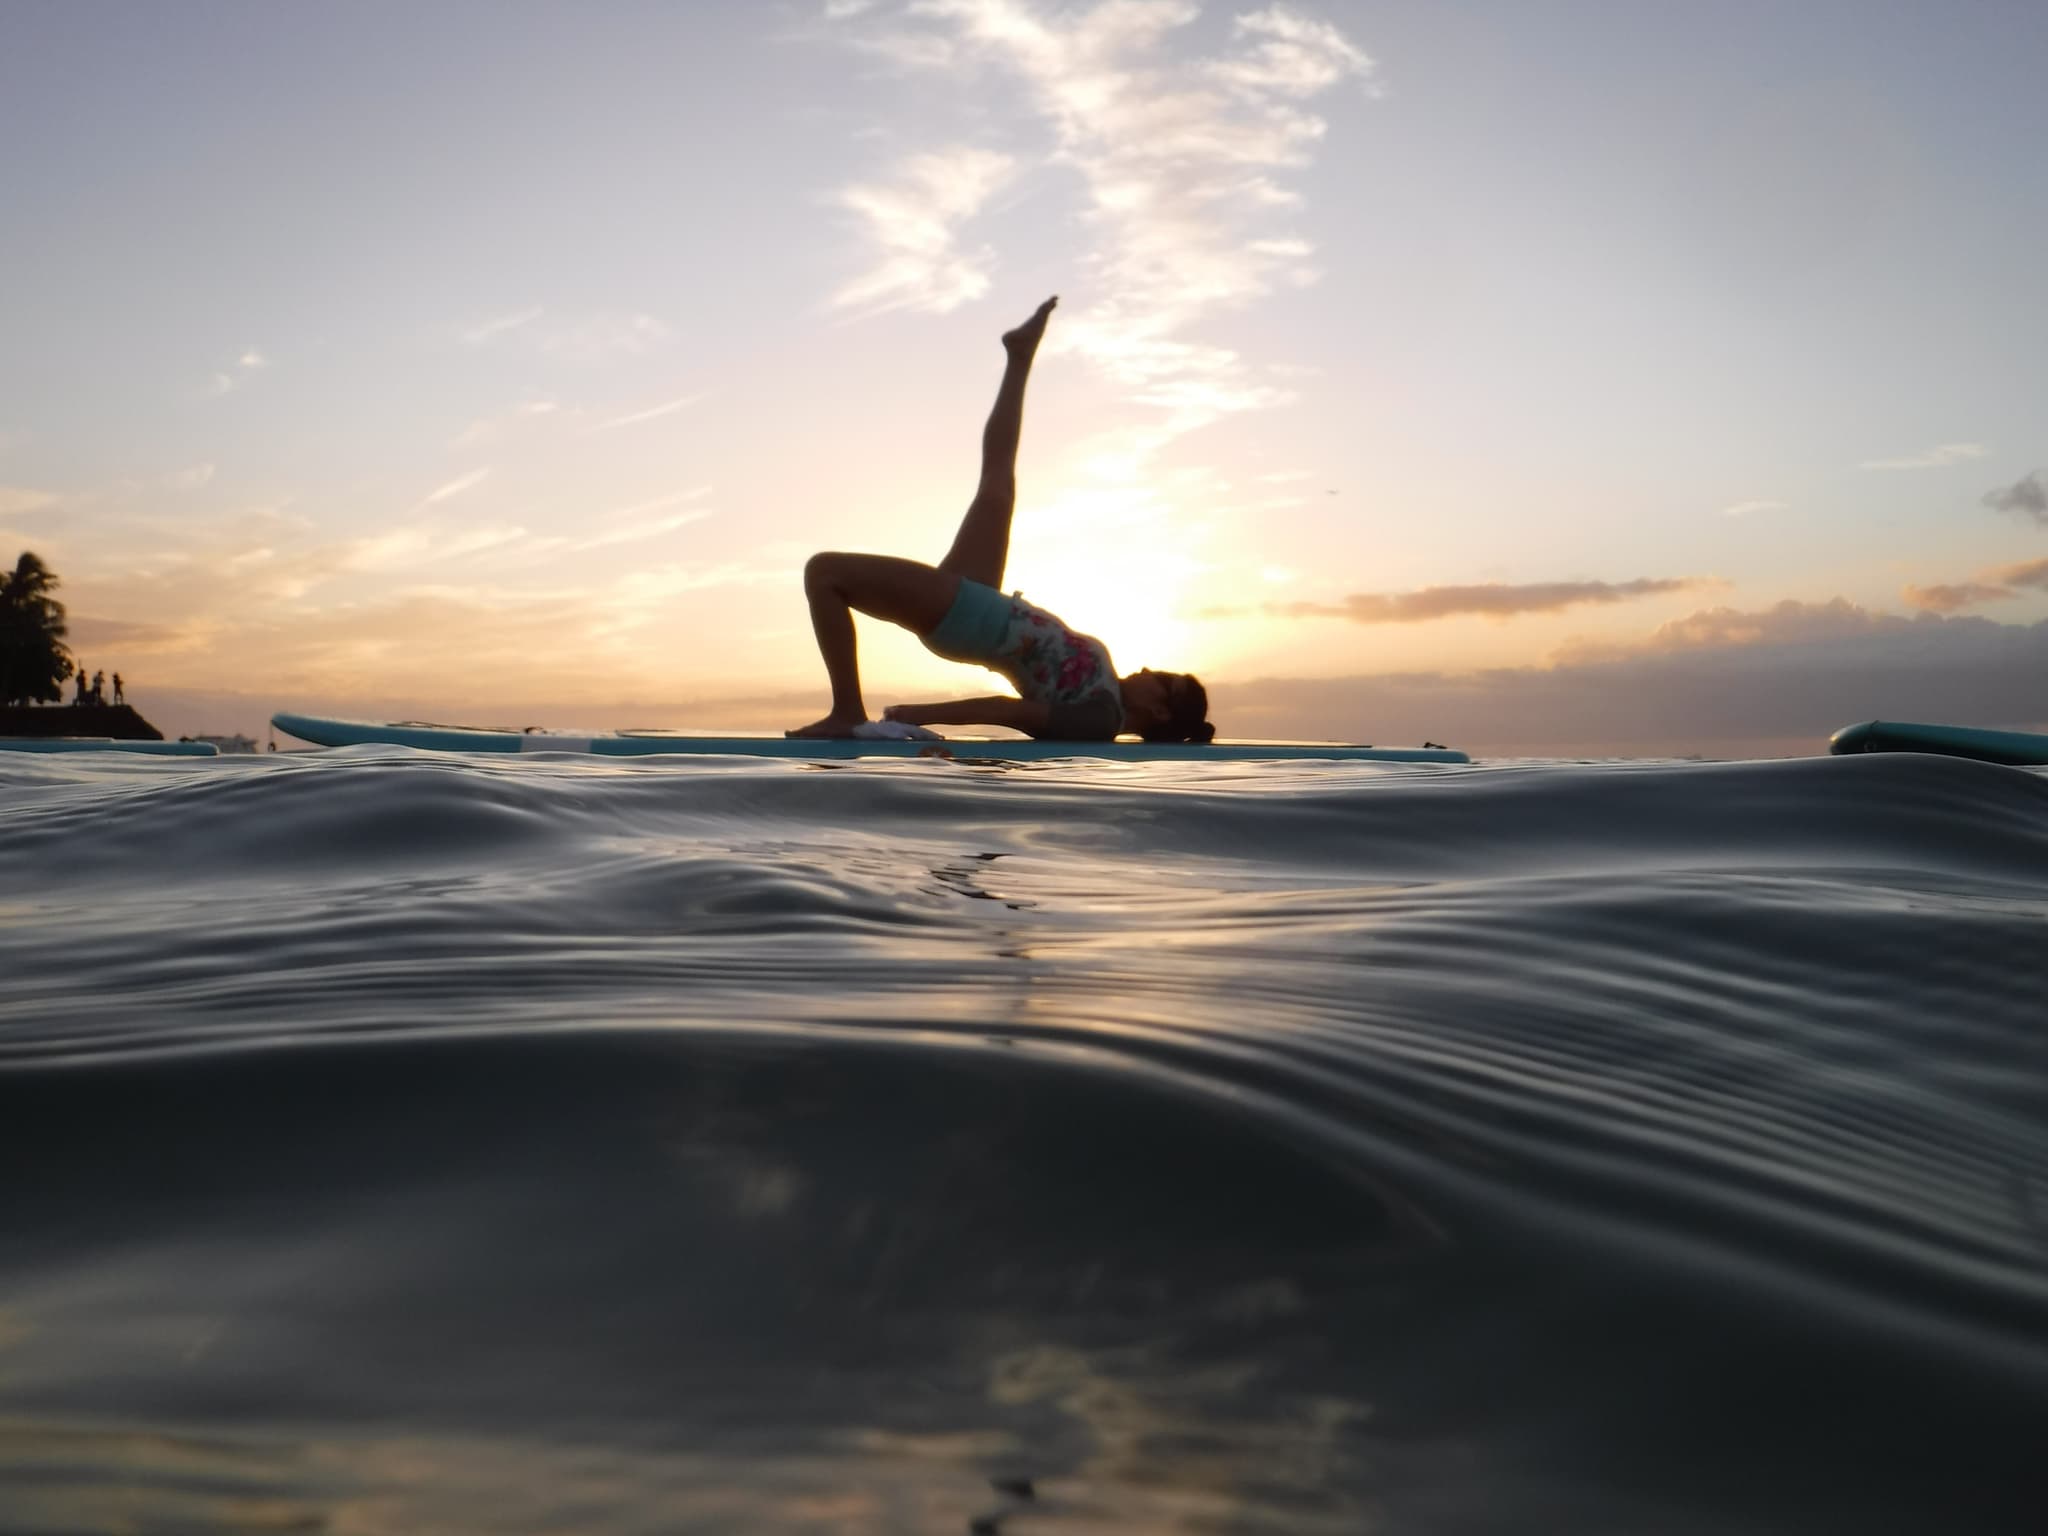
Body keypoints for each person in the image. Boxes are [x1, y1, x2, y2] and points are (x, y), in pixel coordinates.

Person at [788, 297, 1213, 743]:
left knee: (825, 572)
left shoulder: (1099, 719)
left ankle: (847, 713)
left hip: (969, 619)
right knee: (998, 482)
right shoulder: (1107, 694)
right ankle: (1020, 356)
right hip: (985, 605)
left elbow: (1011, 712)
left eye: (1160, 677)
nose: (1147, 668)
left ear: (1160, 710)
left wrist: (917, 714)